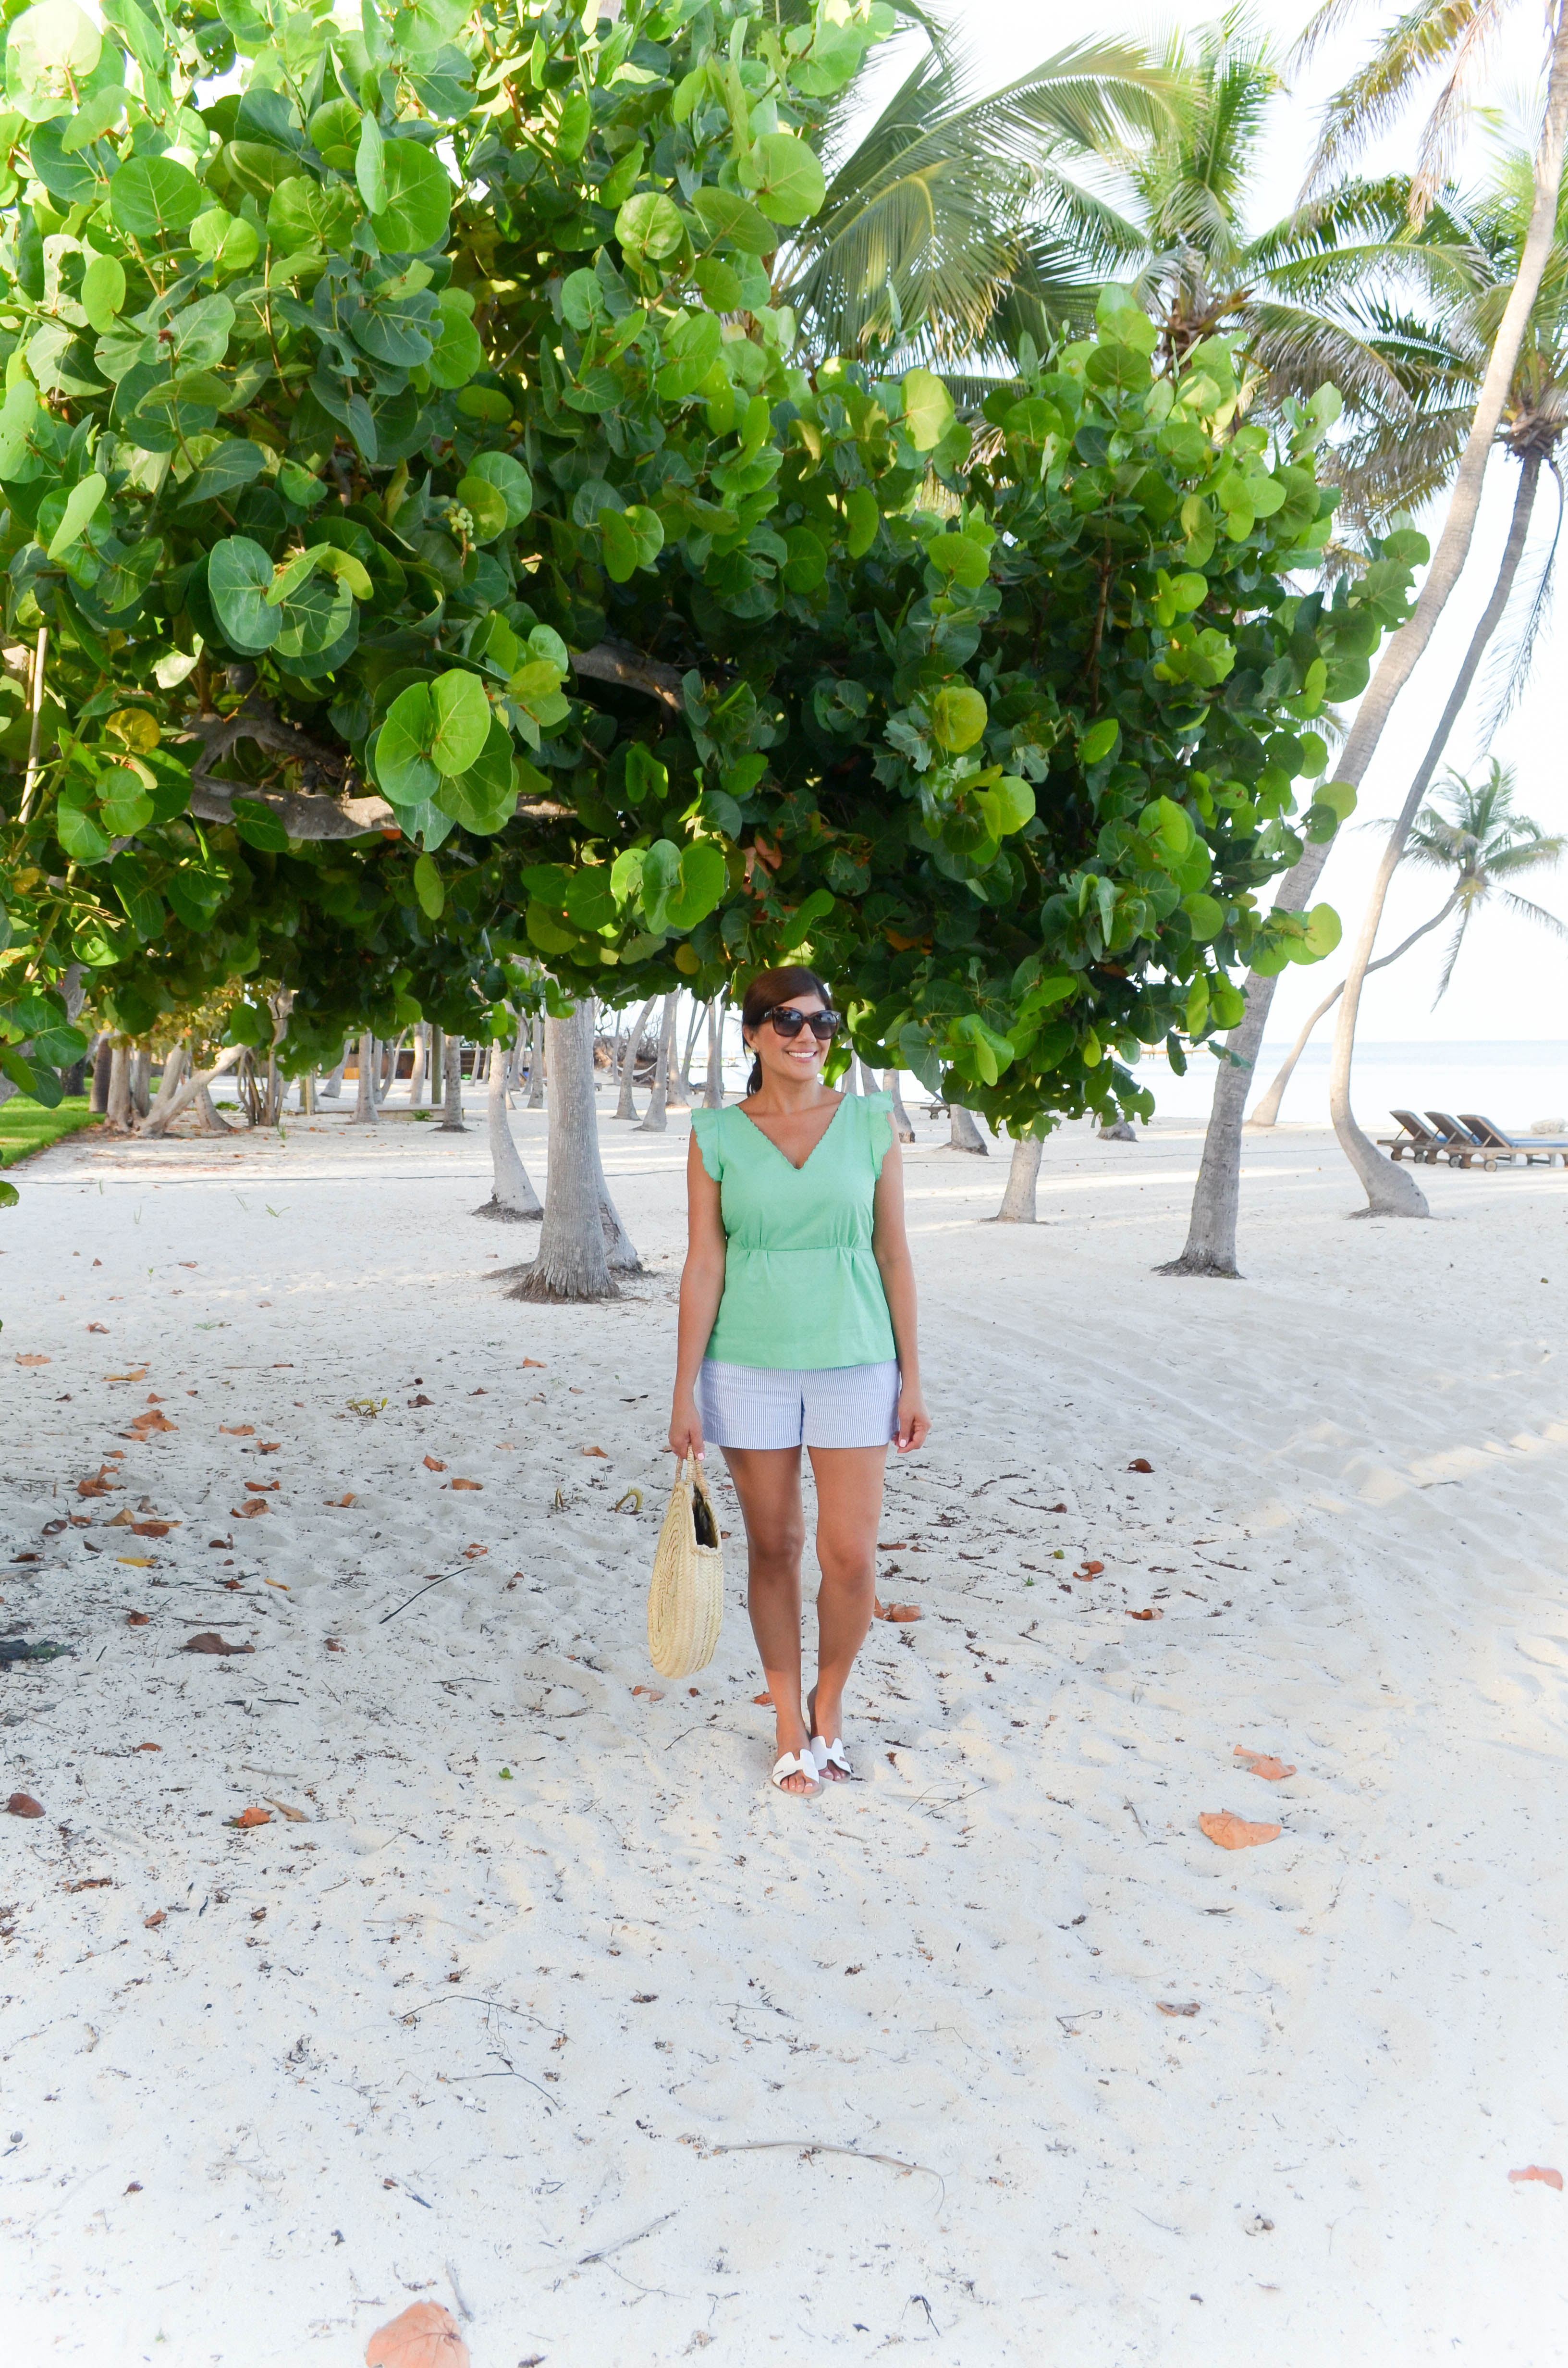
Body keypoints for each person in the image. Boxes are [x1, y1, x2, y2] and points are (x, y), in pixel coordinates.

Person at [668, 967, 930, 1795]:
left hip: (858, 1360)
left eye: (822, 1024)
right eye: (786, 1022)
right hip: (746, 1368)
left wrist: (914, 1378)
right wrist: (683, 1391)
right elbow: (704, 1265)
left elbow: (894, 1254)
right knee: (774, 1548)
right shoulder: (713, 1135)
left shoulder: (870, 1123)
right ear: (751, 1035)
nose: (807, 1037)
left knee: (849, 1555)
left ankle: (831, 1703)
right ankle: (787, 1720)